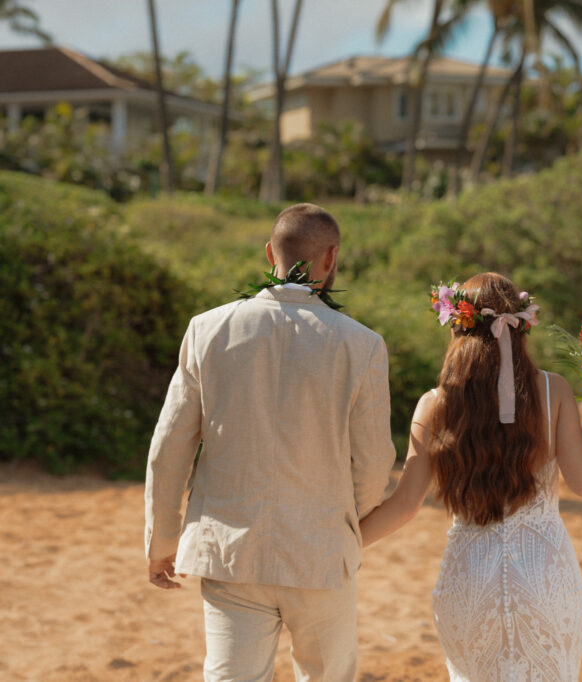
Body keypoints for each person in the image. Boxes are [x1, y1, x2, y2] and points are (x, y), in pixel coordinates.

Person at [144, 203, 396, 682]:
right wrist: (348, 525)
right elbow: (374, 461)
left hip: (230, 551)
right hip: (321, 552)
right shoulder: (362, 344)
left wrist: (162, 539)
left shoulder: (208, 329)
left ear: (269, 254)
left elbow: (169, 448)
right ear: (331, 259)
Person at [359, 272, 582, 681]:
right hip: (543, 574)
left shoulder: (434, 405)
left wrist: (344, 545)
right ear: (521, 326)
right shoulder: (554, 391)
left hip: (469, 578)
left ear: (457, 327)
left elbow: (404, 506)